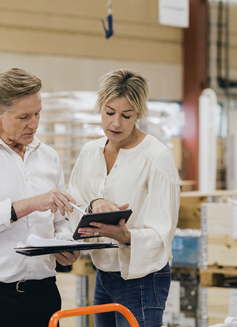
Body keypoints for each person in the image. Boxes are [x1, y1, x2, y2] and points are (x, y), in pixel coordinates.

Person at [0, 68, 80, 327]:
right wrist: (33, 203)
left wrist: (65, 244)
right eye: (24, 117)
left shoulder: (49, 157)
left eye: (37, 114)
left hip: (43, 296)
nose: (34, 124)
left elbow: (61, 219)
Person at [67, 69, 180, 327]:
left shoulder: (156, 158)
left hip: (143, 279)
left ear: (138, 114)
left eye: (126, 116)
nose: (116, 124)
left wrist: (126, 236)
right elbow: (72, 203)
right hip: (103, 273)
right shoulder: (89, 153)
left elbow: (163, 234)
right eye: (109, 113)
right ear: (99, 108)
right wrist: (94, 204)